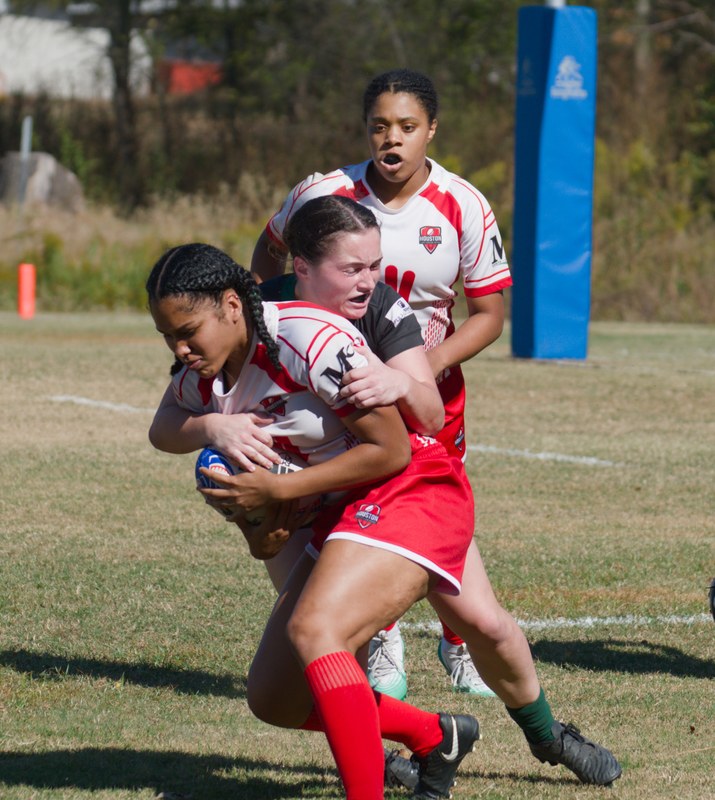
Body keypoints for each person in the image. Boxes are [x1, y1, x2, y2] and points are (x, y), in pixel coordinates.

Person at [243, 196, 621, 792]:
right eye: (353, 268)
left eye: (376, 264)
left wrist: (397, 380)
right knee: (293, 674)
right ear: (302, 266)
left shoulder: (379, 308)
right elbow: (190, 406)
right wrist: (219, 435)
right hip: (318, 496)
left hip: (400, 486)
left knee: (482, 624)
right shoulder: (263, 312)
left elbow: (423, 409)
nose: (371, 280)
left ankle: (547, 735)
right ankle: (415, 737)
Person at [146, 239, 482, 800]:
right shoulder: (209, 379)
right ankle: (434, 735)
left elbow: (392, 449)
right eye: (167, 336)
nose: (179, 349)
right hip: (345, 511)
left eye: (187, 332)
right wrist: (218, 441)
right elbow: (163, 428)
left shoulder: (306, 337)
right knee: (274, 697)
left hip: (413, 486)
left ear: (232, 306)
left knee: (316, 632)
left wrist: (279, 488)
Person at [251, 67, 510, 699]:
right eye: (379, 126)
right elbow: (268, 258)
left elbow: (491, 315)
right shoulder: (324, 193)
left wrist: (422, 368)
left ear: (432, 131)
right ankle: (380, 636)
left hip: (427, 394)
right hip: (333, 388)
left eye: (407, 127)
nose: (390, 140)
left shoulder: (463, 203)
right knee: (353, 505)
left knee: (435, 512)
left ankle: (457, 643)